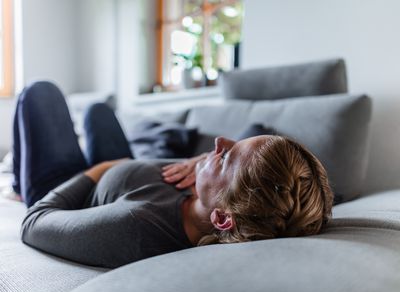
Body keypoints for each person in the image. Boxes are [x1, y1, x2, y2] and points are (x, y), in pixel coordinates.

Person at [16, 81, 333, 269]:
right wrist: (203, 162)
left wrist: (102, 170)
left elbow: (34, 222)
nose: (218, 142)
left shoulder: (135, 227)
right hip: (123, 167)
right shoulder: (217, 195)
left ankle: (19, 183)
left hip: (72, 182)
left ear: (223, 219)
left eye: (225, 158)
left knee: (38, 92)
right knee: (98, 111)